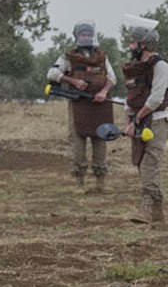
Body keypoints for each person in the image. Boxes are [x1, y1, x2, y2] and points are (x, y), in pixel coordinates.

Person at [46, 21, 117, 193]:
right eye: (83, 34)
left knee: (101, 139)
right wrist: (73, 81)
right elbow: (52, 73)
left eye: (89, 34)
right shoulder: (68, 57)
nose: (86, 37)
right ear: (77, 36)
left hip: (100, 106)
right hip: (79, 105)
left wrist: (104, 92)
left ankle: (101, 183)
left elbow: (112, 78)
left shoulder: (102, 56)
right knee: (78, 141)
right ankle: (80, 183)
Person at [120, 19, 168, 226]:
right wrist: (129, 120)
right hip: (139, 120)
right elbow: (130, 97)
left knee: (150, 162)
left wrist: (138, 116)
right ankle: (158, 209)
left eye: (133, 43)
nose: (130, 46)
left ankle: (146, 207)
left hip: (157, 121)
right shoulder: (136, 68)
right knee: (141, 163)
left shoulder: (161, 66)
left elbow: (156, 98)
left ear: (143, 45)